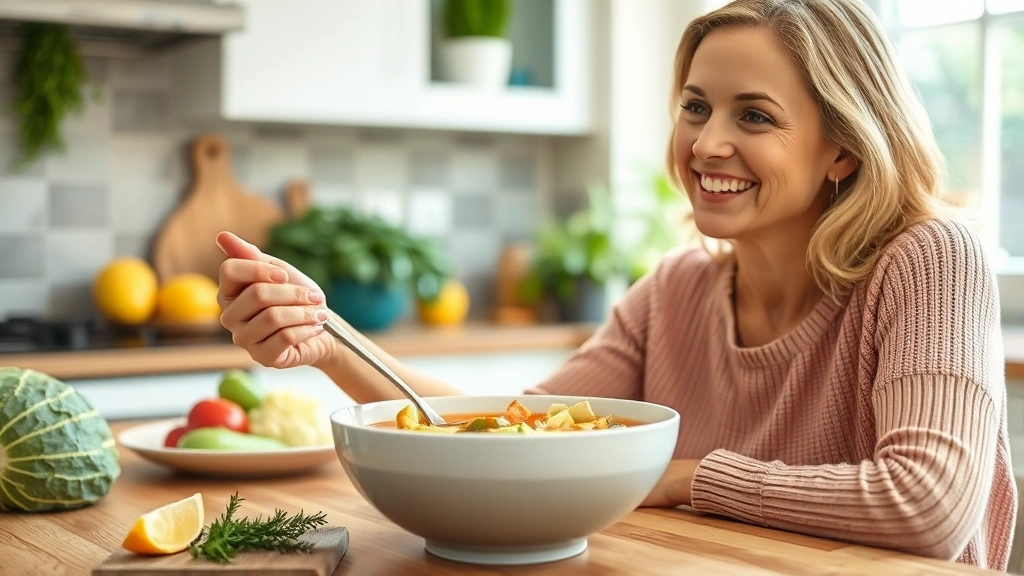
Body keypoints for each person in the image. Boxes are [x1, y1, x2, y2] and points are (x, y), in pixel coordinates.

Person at [214, 0, 1016, 570]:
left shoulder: (929, 260)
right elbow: (514, 433)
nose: (707, 143)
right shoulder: (676, 290)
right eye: (696, 106)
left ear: (843, 148)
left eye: (755, 117)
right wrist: (330, 342)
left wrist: (691, 477)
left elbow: (927, 505)